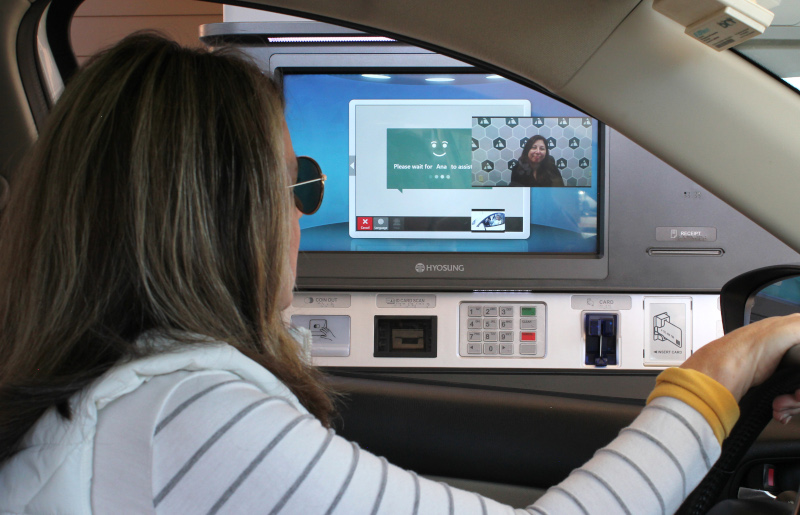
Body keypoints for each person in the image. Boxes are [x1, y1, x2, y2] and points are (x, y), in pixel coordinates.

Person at [0, 34, 799, 514]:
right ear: (220, 213)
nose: (302, 218)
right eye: (296, 187)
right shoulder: (183, 413)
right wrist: (720, 368)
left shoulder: (118, 397)